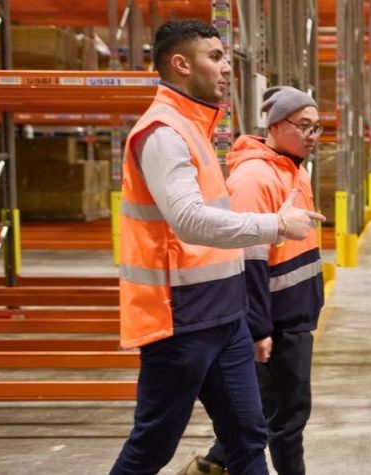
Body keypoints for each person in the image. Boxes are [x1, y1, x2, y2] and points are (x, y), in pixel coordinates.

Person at [110, 20, 325, 475]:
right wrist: (274, 225)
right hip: (180, 320)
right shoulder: (163, 133)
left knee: (248, 436)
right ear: (180, 64)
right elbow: (187, 220)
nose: (227, 67)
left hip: (224, 317)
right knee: (153, 446)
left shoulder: (195, 130)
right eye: (215, 57)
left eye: (225, 57)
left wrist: (248, 322)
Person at [181, 86, 325, 475]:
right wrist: (259, 329)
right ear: (277, 125)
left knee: (267, 412)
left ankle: (210, 465)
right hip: (274, 321)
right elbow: (248, 260)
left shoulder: (294, 170)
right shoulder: (255, 177)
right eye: (304, 126)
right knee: (284, 418)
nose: (312, 136)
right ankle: (213, 464)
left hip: (294, 315)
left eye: (317, 128)